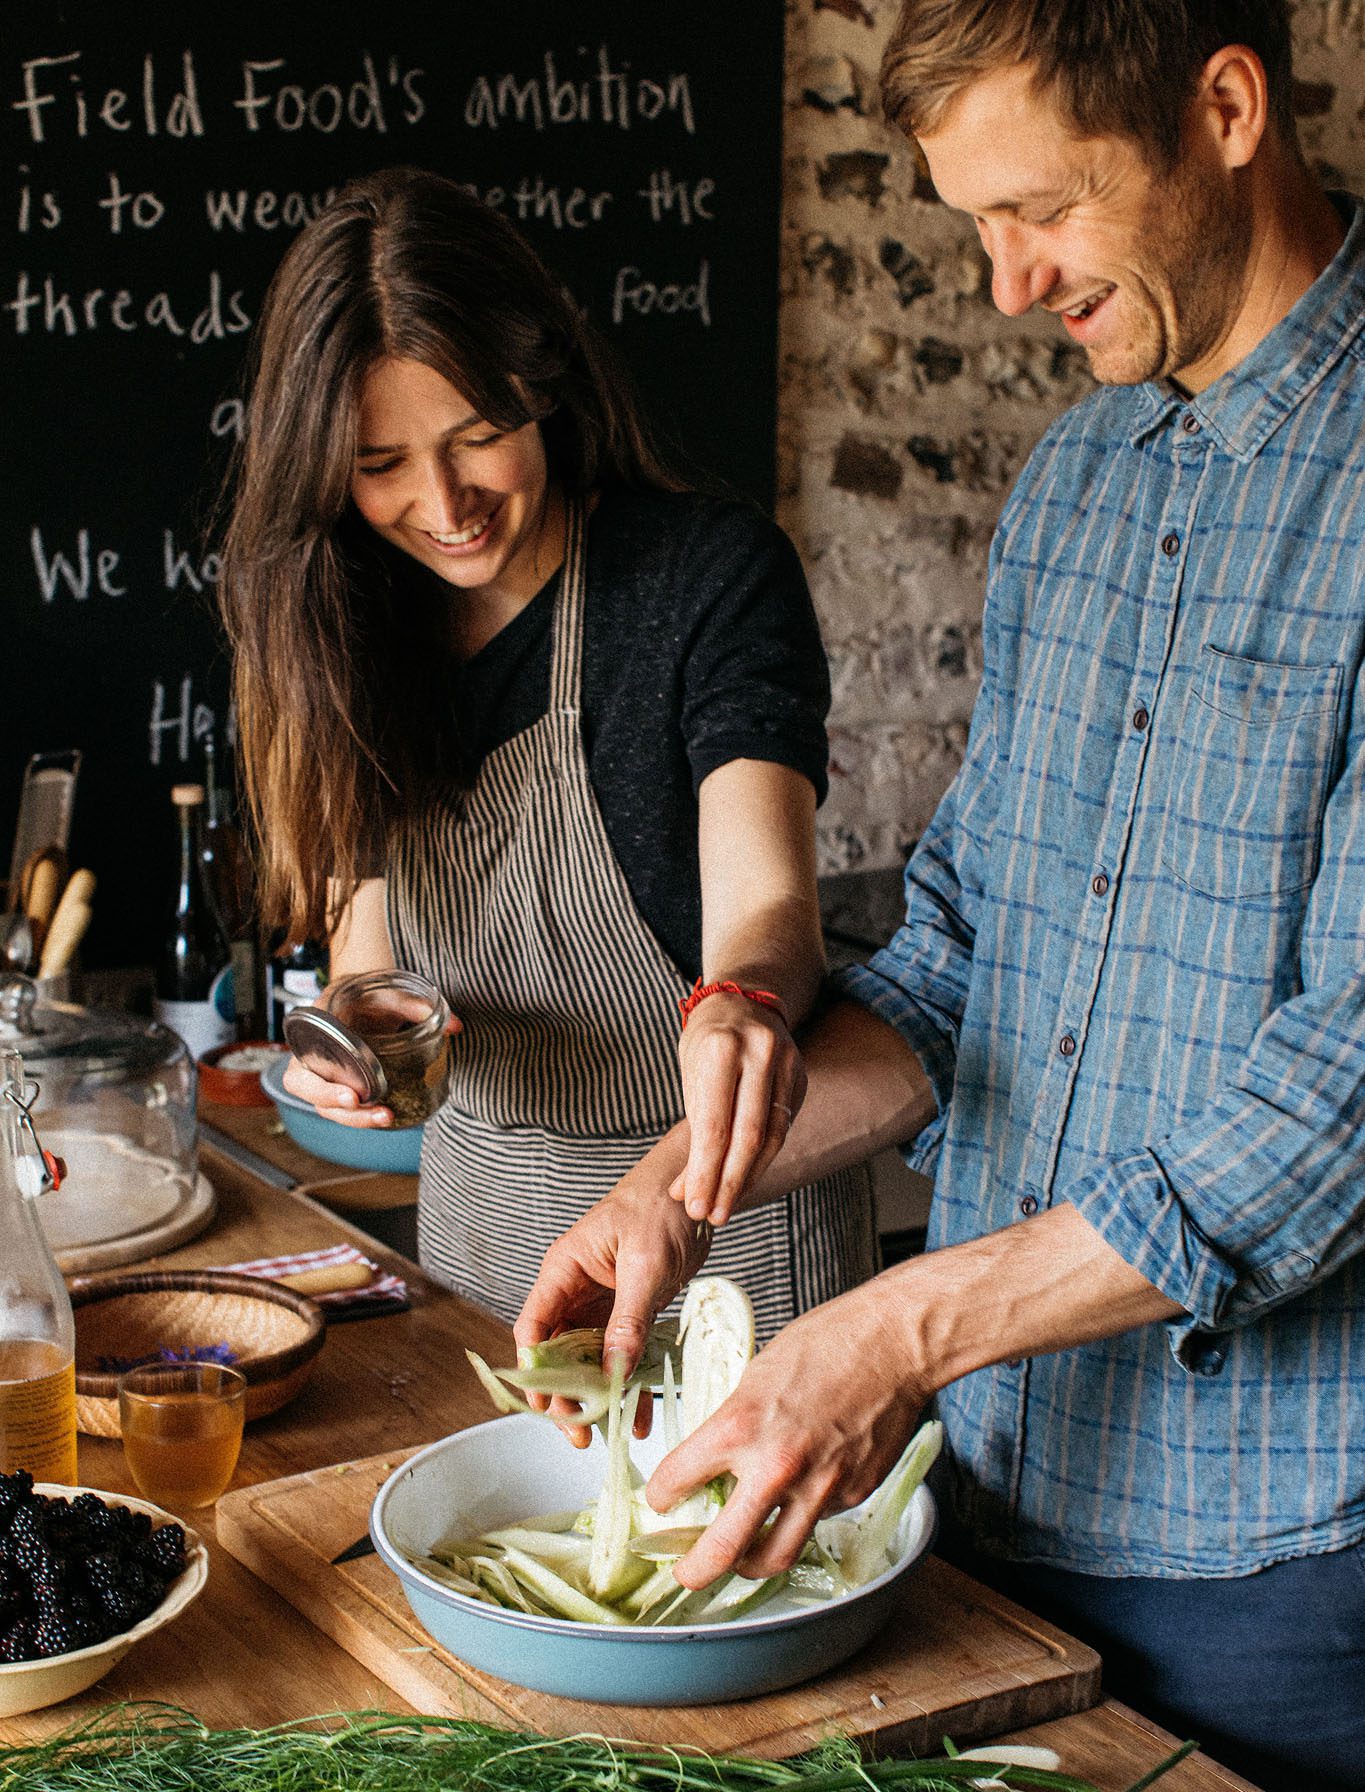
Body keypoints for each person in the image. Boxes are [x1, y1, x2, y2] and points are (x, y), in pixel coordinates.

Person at [516, 4, 1365, 1785]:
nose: (1003, 284)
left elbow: (1336, 1105)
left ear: (1226, 107)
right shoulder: (1075, 484)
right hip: (979, 1498)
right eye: (972, 225)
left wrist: (892, 1328)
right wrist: (680, 1186)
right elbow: (970, 953)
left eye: (1040, 209)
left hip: (1285, 1559)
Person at [218, 167, 876, 1337]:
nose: (445, 501)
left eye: (478, 436)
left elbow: (770, 905)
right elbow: (367, 961)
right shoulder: (346, 629)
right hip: (484, 1252)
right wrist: (350, 1046)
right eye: (381, 466)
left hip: (727, 1238)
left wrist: (741, 1002)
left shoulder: (702, 578)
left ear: (543, 388)